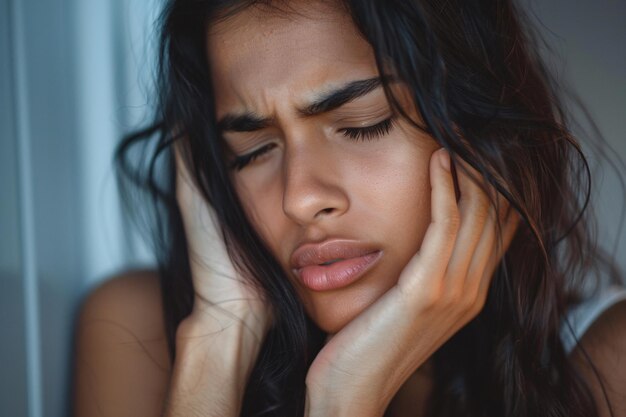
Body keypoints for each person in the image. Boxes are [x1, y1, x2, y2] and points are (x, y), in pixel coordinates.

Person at [72, 0, 626, 416]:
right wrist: (220, 344)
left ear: (480, 139)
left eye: (363, 124)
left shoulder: (607, 360)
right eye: (253, 150)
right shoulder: (139, 332)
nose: (300, 198)